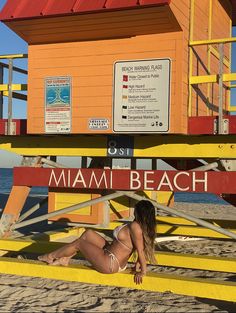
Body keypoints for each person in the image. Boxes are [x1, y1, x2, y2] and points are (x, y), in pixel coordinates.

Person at [38, 200, 157, 284]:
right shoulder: (140, 226)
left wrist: (143, 272)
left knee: (79, 243)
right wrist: (138, 264)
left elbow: (141, 250)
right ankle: (65, 258)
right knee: (88, 234)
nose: (133, 211)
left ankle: (50, 256)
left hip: (110, 263)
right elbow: (140, 246)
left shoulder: (136, 226)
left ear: (140, 212)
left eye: (135, 210)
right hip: (111, 255)